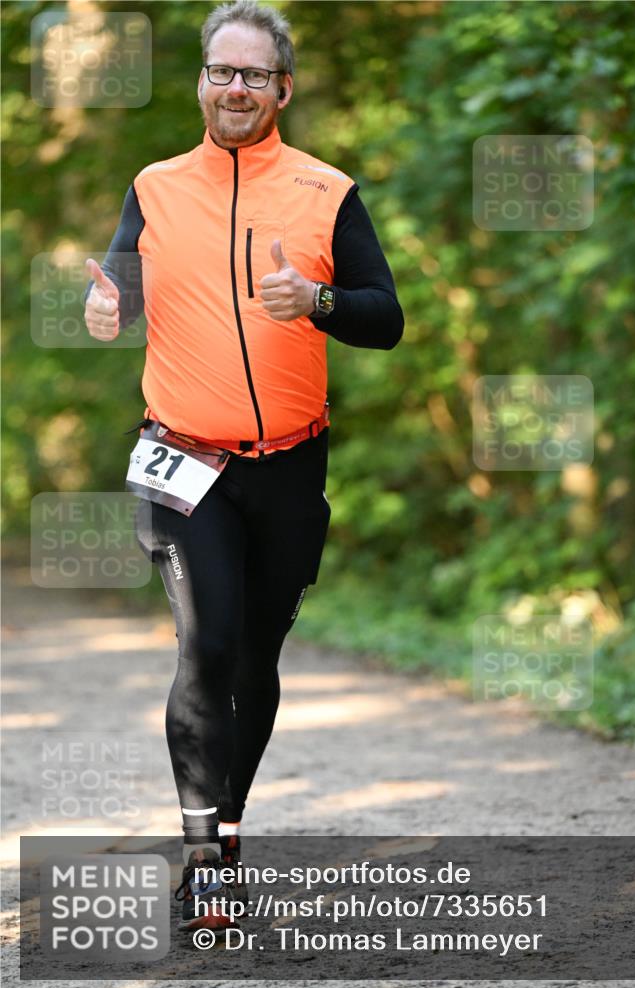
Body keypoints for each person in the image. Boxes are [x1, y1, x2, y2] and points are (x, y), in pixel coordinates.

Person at [84, 0, 403, 933]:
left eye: (253, 75)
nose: (234, 88)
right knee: (207, 643)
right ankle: (203, 859)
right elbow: (119, 291)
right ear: (199, 82)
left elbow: (384, 318)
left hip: (289, 469)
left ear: (282, 89)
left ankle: (227, 828)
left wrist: (318, 298)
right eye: (220, 71)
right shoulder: (154, 185)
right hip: (183, 460)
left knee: (255, 660)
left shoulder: (325, 191)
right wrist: (106, 313)